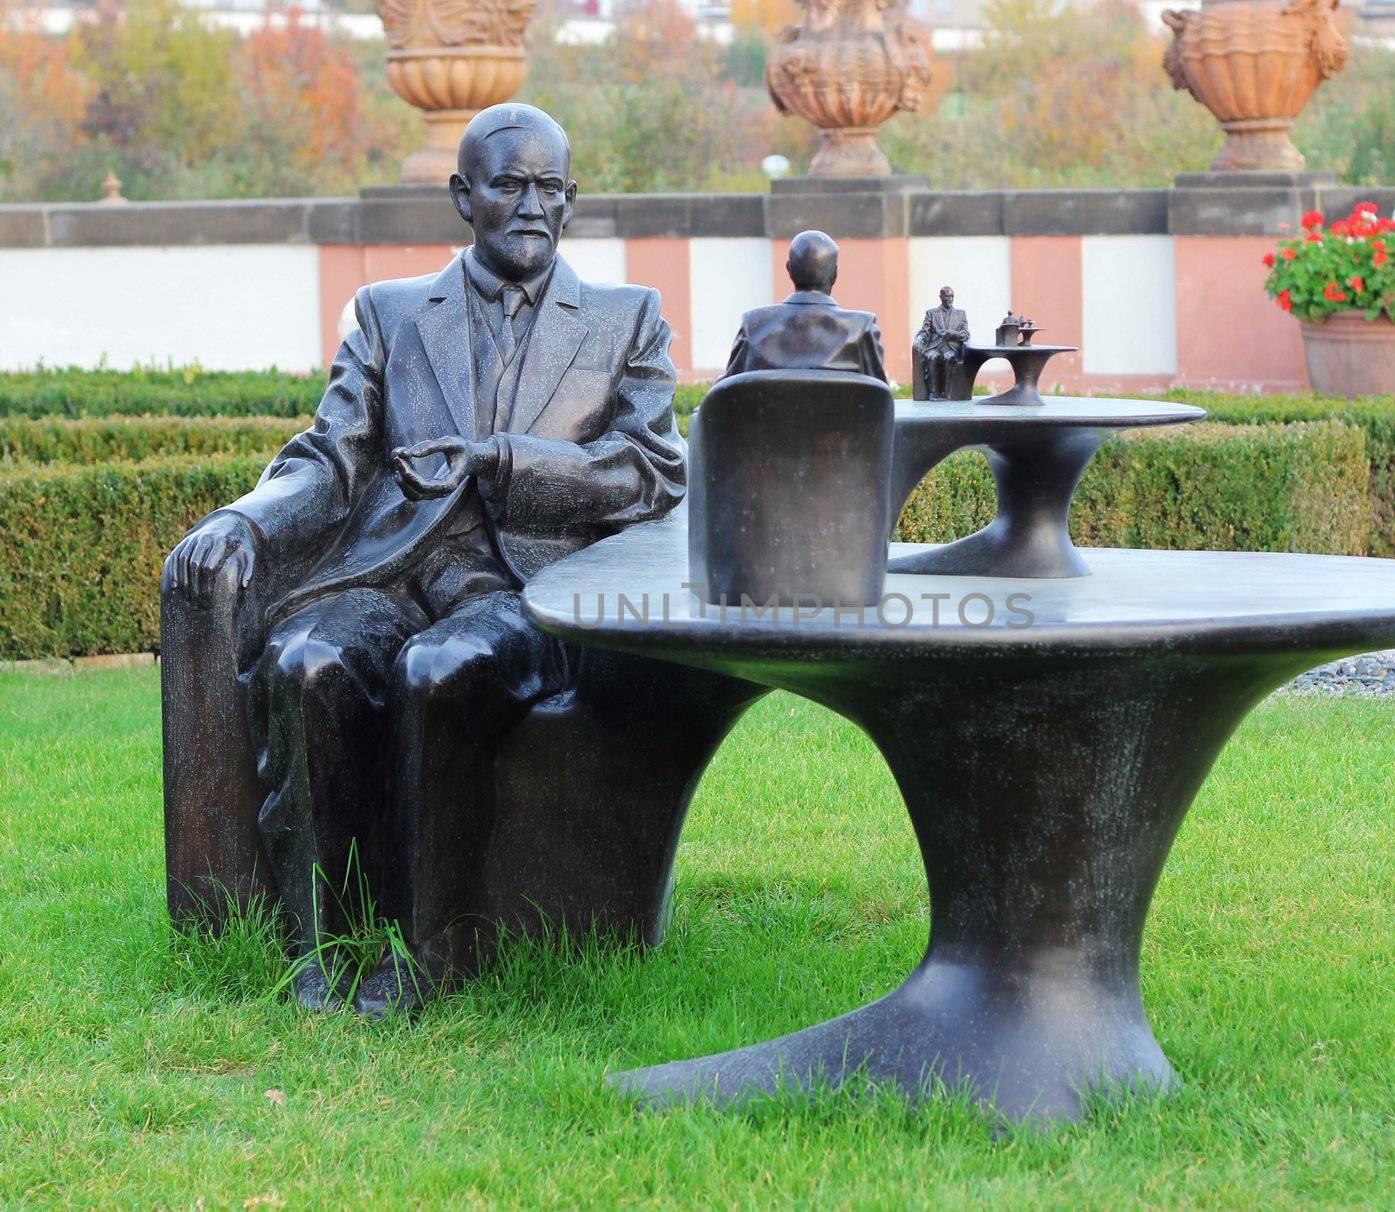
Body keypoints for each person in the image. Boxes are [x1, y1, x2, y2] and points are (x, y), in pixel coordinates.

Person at [161, 104, 684, 1018]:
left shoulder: (623, 320)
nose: (531, 205)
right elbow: (329, 457)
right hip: (394, 572)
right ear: (463, 196)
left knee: (440, 669)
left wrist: (505, 460)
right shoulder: (391, 313)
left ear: (572, 201)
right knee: (307, 660)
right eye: (509, 185)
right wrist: (246, 522)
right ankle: (324, 943)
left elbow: (649, 473)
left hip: (532, 583)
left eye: (549, 188)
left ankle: (436, 947)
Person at [723, 230, 888, 380]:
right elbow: (880, 399)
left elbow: (723, 395)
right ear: (835, 274)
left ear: (789, 270)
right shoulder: (861, 328)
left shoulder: (753, 325)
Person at [913, 286, 970, 399]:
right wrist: (919, 339)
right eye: (947, 296)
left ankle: (945, 393)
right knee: (931, 356)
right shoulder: (931, 313)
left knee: (949, 357)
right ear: (941, 297)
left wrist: (951, 333)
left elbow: (966, 334)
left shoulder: (961, 314)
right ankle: (933, 393)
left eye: (952, 296)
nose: (950, 299)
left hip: (951, 347)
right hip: (935, 346)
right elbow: (925, 331)